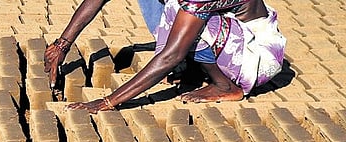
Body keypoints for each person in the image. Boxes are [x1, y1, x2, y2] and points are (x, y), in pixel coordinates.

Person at [44, 0, 286, 113]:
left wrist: (107, 102)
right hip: (231, 38)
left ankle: (224, 85)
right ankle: (194, 67)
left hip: (256, 57)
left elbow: (171, 55)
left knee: (180, 19)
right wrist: (62, 45)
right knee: (174, 12)